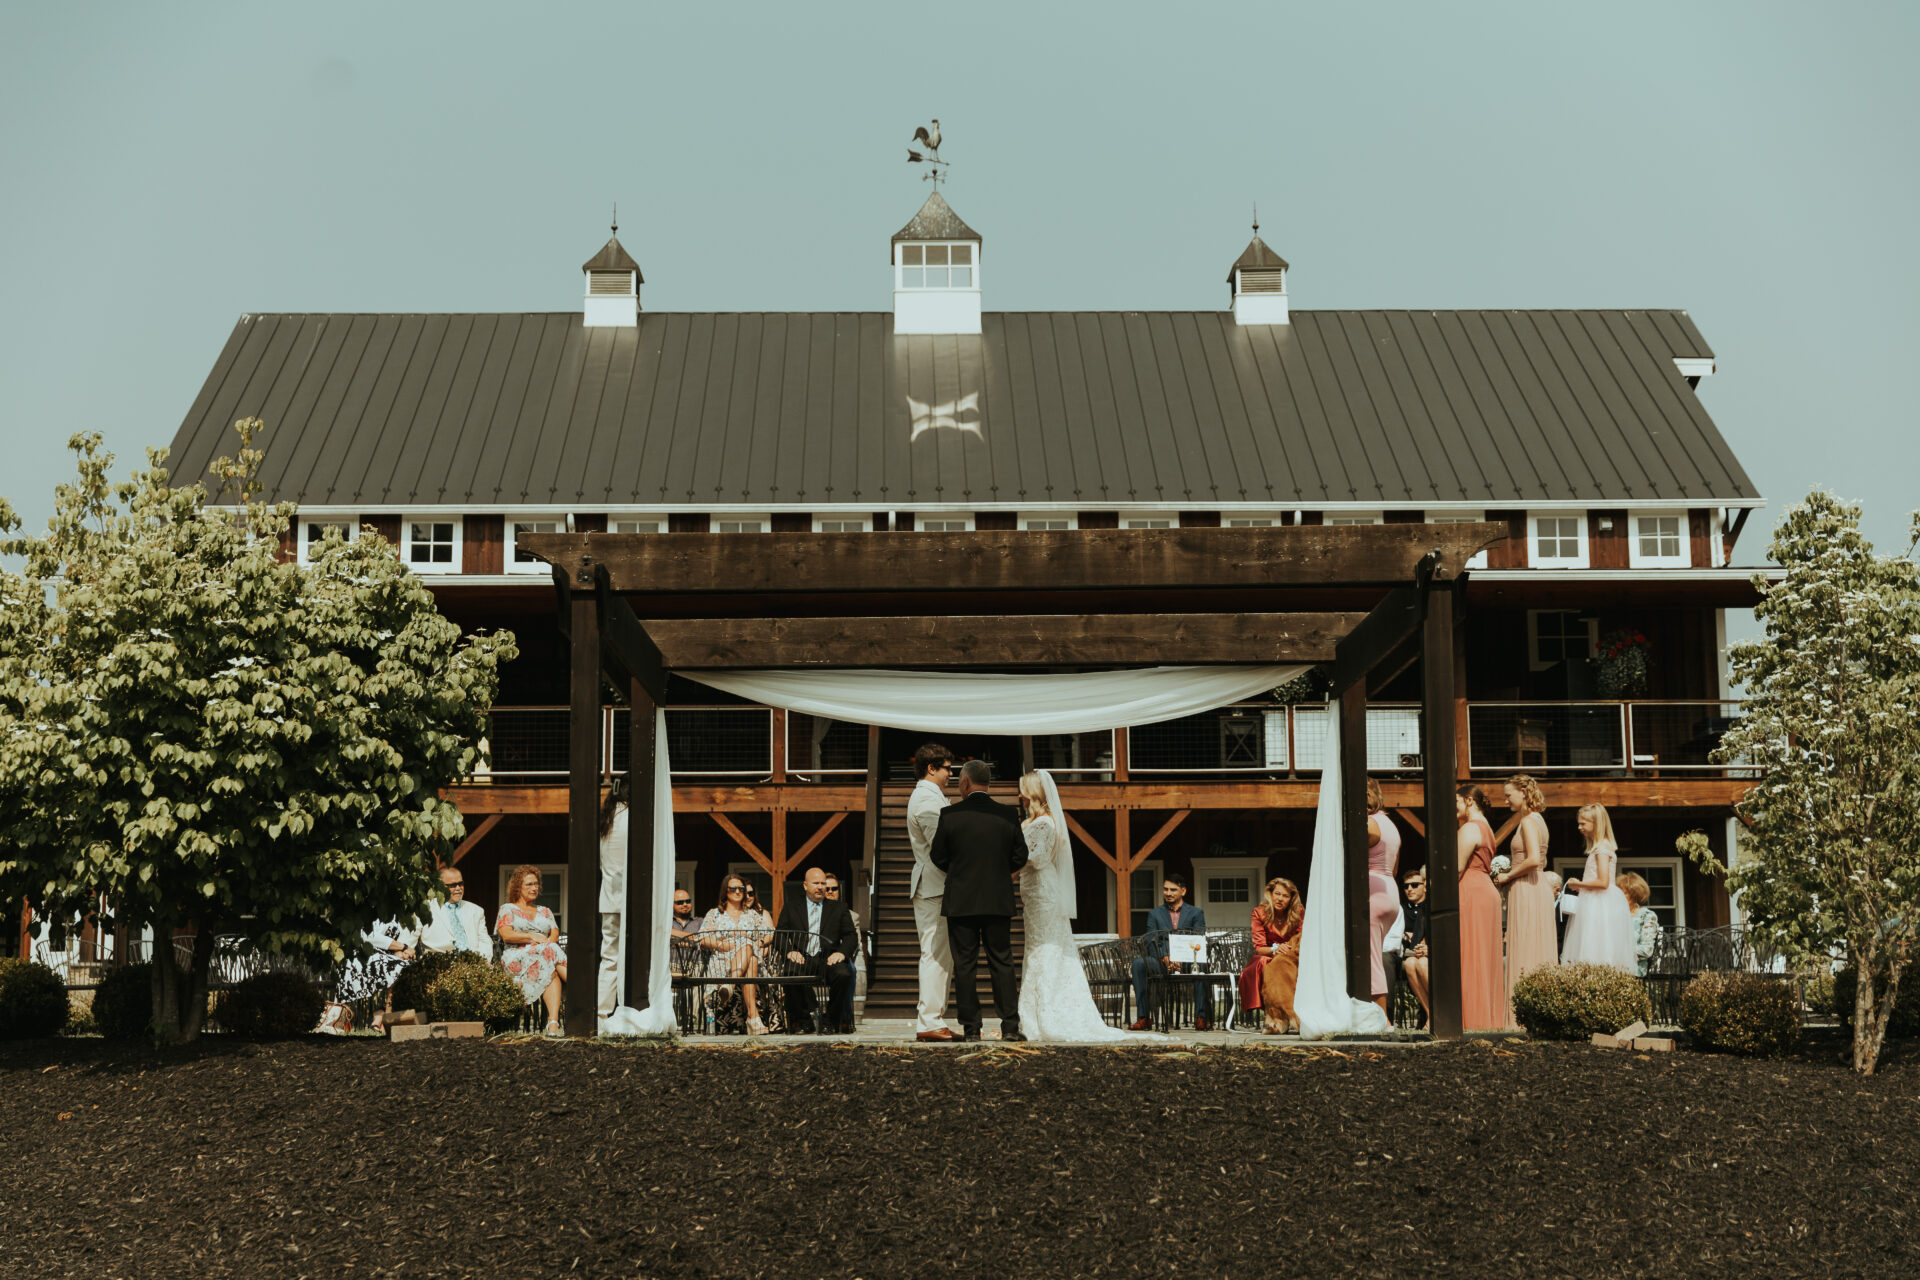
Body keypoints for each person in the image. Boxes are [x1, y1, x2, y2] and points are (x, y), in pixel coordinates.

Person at [1014, 770, 1130, 1042]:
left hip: (1043, 891)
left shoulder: (1044, 824)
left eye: (1022, 790)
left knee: (1045, 949)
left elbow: (1038, 859)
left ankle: (1045, 1013)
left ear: (1033, 794)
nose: (1018, 795)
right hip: (1032, 894)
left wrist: (1012, 860)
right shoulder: (1033, 821)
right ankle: (1032, 1013)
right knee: (1035, 947)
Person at [930, 760, 1029, 1042]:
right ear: (989, 783)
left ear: (964, 783)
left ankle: (972, 1029)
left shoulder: (949, 814)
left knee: (965, 964)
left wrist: (960, 871)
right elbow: (1020, 856)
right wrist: (999, 872)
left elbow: (938, 856)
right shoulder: (1007, 814)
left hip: (961, 900)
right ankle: (1010, 1026)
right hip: (997, 898)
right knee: (1002, 961)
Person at [906, 743, 957, 1042]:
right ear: (931, 768)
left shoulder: (931, 796)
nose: (951, 773)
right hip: (934, 885)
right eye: (948, 768)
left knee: (941, 955)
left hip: (937, 884)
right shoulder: (925, 799)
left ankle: (935, 1017)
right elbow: (942, 845)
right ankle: (928, 1020)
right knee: (934, 954)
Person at [1457, 785, 1515, 1031]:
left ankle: (1471, 1018)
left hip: (1470, 889)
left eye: (1456, 802)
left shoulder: (1470, 827)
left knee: (1470, 953)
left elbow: (1457, 867)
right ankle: (1485, 1018)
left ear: (1469, 800)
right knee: (1482, 955)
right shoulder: (1487, 829)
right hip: (1484, 890)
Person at [775, 867, 860, 1034]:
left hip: (827, 959)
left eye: (823, 883)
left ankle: (831, 1020)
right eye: (816, 883)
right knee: (788, 973)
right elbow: (780, 935)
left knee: (843, 974)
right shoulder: (792, 907)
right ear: (806, 885)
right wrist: (790, 951)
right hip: (802, 957)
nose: (821, 887)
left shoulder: (839, 908)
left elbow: (851, 936)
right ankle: (802, 1021)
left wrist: (841, 953)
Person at [1497, 774, 1559, 1002]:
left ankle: (1522, 1008)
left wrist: (1507, 876)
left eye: (1508, 795)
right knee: (1534, 946)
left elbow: (1533, 859)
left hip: (1526, 886)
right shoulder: (1539, 820)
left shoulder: (1529, 821)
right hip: (1536, 886)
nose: (1505, 801)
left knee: (1525, 946)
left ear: (1523, 792)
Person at [1128, 874, 1212, 1031]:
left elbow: (1197, 937)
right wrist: (1164, 957)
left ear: (1183, 891)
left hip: (1188, 961)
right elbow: (1151, 939)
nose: (1168, 893)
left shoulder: (1196, 913)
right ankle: (1144, 1017)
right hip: (1161, 961)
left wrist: (1182, 957)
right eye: (1165, 889)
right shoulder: (1155, 914)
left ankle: (1201, 1017)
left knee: (1202, 965)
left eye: (1173, 890)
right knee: (1139, 964)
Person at [1560, 804, 1635, 972]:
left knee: (1595, 945)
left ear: (1597, 824)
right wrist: (1583, 888)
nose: (1579, 827)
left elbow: (1603, 882)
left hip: (1599, 903)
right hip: (1595, 899)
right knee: (1593, 944)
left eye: (1583, 823)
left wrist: (1578, 884)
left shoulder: (1602, 849)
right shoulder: (1600, 848)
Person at [496, 865, 567, 1037]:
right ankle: (580, 990)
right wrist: (532, 938)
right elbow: (506, 935)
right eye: (529, 884)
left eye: (536, 884)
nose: (534, 888)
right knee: (550, 952)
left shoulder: (545, 911)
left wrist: (543, 945)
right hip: (517, 956)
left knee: (551, 967)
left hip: (545, 954)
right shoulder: (508, 908)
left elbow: (554, 935)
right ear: (518, 887)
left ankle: (553, 1024)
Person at [699, 874, 772, 1035]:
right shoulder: (715, 914)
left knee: (749, 951)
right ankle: (753, 1019)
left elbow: (769, 934)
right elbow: (702, 938)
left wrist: (759, 943)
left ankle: (730, 986)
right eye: (733, 888)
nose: (738, 892)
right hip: (722, 959)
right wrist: (721, 944)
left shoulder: (751, 914)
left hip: (750, 957)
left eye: (741, 889)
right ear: (725, 891)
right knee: (750, 955)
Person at [1239, 877, 1302, 1034]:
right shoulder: (1259, 912)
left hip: (1293, 954)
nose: (1280, 899)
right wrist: (1275, 949)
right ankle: (1276, 1016)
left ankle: (1286, 1016)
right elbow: (1259, 947)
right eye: (1277, 894)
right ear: (1270, 894)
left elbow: (1303, 938)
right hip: (1268, 953)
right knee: (1267, 964)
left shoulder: (1299, 912)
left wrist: (1287, 950)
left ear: (1291, 898)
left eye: (1285, 896)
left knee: (1284, 964)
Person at [1365, 779, 1401, 1012]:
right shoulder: (1388, 823)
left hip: (1372, 891)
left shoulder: (1367, 824)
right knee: (1375, 953)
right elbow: (1394, 867)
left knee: (1370, 958)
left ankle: (1382, 1017)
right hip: (1391, 890)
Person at [597, 781, 629, 1020]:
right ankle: (630, 1009)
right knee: (636, 955)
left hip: (608, 897)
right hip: (630, 898)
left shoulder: (607, 819)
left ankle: (602, 1013)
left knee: (609, 957)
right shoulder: (631, 817)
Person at [416, 866, 490, 959]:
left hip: (473, 964)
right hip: (437, 964)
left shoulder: (476, 910)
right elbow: (410, 938)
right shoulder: (425, 908)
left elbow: (484, 940)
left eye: (460, 884)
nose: (458, 888)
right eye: (453, 885)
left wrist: (484, 960)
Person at [1397, 868, 1431, 1024]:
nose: (1409, 889)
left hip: (1430, 954)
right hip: (1412, 954)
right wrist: (1406, 936)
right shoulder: (1401, 910)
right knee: (1410, 963)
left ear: (1425, 886)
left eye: (1414, 885)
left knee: (1421, 963)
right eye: (1406, 886)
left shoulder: (1431, 906)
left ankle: (1435, 1013)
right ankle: (1430, 1013)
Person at [1619, 872, 1662, 977]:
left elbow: (1646, 950)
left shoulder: (1646, 916)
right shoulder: (1614, 915)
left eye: (1623, 893)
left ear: (1635, 895)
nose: (1618, 897)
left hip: (1633, 973)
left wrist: (1618, 952)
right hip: (1608, 970)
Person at [668, 888, 701, 978]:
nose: (685, 904)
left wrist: (676, 941)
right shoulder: (667, 923)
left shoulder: (700, 922)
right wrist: (692, 940)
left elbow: (704, 939)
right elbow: (664, 934)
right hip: (671, 965)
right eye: (680, 902)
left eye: (688, 901)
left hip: (695, 966)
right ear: (672, 904)